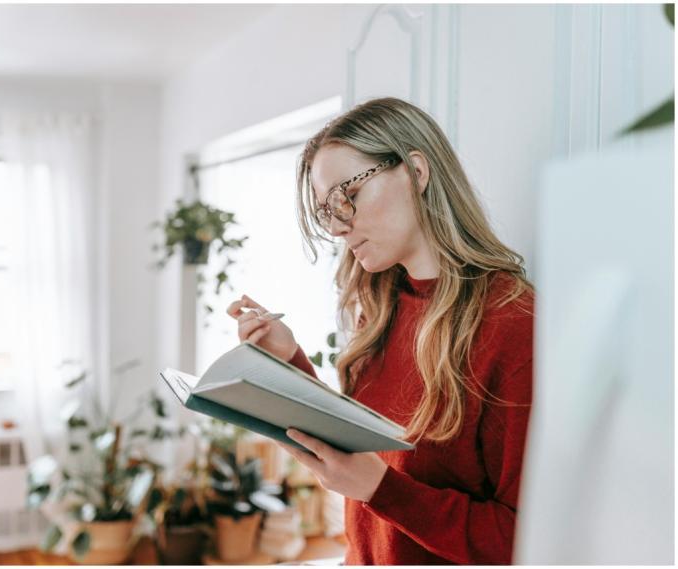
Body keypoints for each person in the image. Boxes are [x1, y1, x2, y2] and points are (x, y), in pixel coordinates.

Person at [226, 97, 534, 565]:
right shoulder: (382, 307)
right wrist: (288, 363)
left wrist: (381, 489)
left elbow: (520, 542)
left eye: (346, 196)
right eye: (327, 210)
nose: (337, 227)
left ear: (416, 170)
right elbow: (359, 453)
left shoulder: (513, 325)